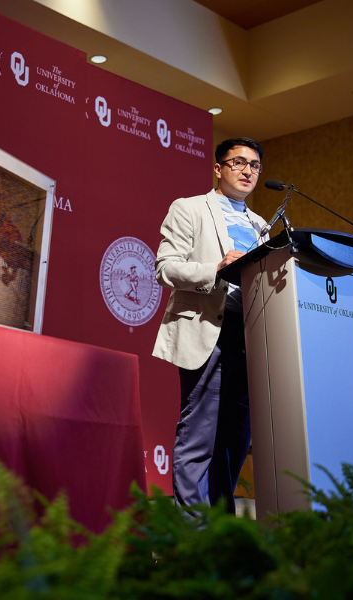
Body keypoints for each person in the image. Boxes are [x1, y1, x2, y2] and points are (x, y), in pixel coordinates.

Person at [152, 137, 268, 514]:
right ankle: (191, 533)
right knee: (199, 434)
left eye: (254, 165)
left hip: (251, 337)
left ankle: (220, 527)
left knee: (237, 437)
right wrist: (214, 269)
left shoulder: (262, 226)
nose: (248, 170)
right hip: (208, 329)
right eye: (238, 162)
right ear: (218, 168)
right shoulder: (190, 208)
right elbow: (165, 268)